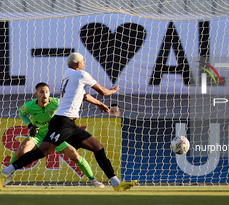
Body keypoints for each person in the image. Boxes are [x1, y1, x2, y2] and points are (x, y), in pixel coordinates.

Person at [0, 52, 136, 191]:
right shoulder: (82, 74)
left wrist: (98, 104)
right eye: (83, 61)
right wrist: (111, 91)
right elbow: (103, 91)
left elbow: (84, 95)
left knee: (97, 147)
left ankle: (116, 184)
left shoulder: (68, 74)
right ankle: (5, 172)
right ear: (78, 64)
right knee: (42, 152)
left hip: (69, 124)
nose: (84, 64)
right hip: (61, 123)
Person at [3, 82, 104, 187]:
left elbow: (70, 106)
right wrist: (30, 126)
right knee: (21, 151)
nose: (45, 95)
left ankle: (93, 180)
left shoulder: (56, 103)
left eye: (47, 92)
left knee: (75, 156)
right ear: (36, 94)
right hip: (39, 135)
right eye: (41, 92)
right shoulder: (29, 105)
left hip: (56, 135)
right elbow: (22, 113)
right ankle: (8, 176)